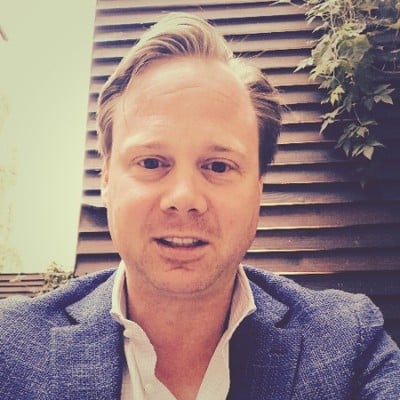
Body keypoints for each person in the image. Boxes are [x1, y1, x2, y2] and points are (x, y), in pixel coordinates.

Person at [0, 12, 399, 400]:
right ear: (106, 178)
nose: (184, 198)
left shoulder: (350, 346)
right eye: (151, 162)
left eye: (218, 166)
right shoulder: (11, 350)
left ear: (258, 188)